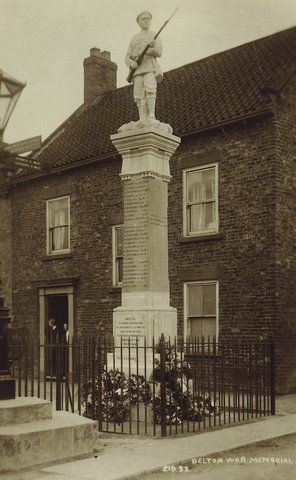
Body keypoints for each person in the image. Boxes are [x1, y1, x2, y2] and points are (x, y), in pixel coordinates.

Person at [125, 11, 163, 122]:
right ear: (139, 22)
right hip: (137, 70)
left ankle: (151, 115)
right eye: (143, 19)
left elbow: (159, 52)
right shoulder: (134, 38)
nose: (146, 21)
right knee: (138, 94)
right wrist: (132, 63)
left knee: (150, 89)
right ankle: (142, 117)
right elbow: (127, 57)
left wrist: (152, 47)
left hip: (150, 67)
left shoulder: (154, 35)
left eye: (148, 18)